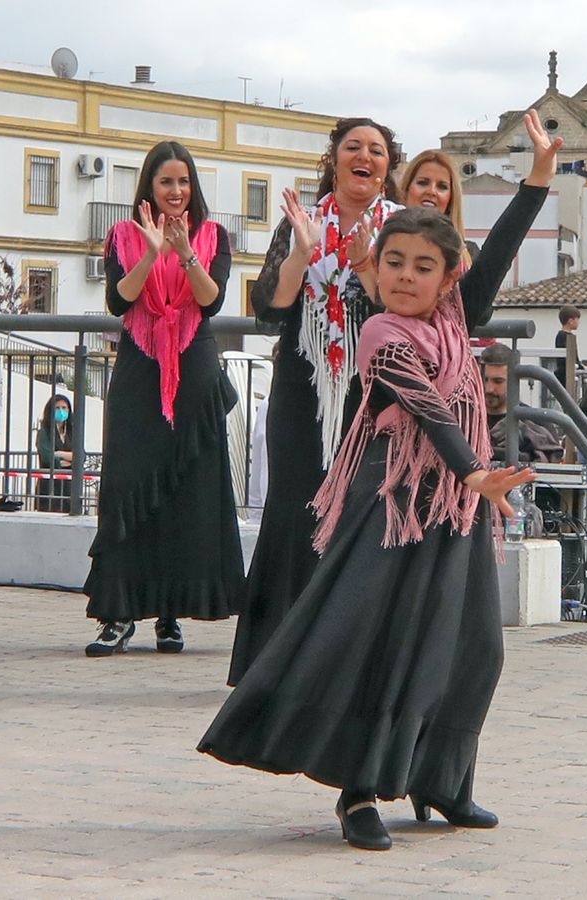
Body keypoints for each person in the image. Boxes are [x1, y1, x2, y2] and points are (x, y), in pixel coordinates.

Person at [199, 208, 536, 852]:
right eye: (394, 262)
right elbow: (428, 408)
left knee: (472, 649)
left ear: (448, 280)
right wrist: (473, 471)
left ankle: (440, 780)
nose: (406, 276)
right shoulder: (382, 332)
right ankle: (357, 793)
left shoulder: (454, 322)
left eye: (423, 266)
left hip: (454, 510)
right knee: (375, 643)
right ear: (376, 268)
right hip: (393, 503)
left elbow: (494, 256)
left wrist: (537, 182)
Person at [229, 111, 552, 685]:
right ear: (334, 159)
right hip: (306, 384)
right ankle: (273, 661)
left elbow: (427, 307)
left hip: (373, 390)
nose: (365, 157)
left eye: (376, 150)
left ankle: (338, 661)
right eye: (353, 147)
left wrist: (365, 264)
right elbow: (270, 310)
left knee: (359, 517)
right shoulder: (303, 222)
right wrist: (303, 253)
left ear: (388, 167)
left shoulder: (400, 232)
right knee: (294, 513)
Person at [83, 140, 244, 656]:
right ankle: (118, 613)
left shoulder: (214, 236)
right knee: (127, 487)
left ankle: (169, 613)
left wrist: (186, 252)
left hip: (194, 371)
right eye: (166, 181)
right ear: (149, 187)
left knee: (185, 493)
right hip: (139, 371)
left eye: (183, 181)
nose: (176, 191)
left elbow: (210, 300)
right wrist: (152, 252)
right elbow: (118, 301)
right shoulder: (123, 236)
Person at [479, 343, 563, 462]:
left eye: (498, 381)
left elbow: (553, 467)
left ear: (515, 380)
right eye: (485, 380)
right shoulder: (467, 420)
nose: (489, 389)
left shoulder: (538, 423)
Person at [34, 393, 74, 513]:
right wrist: (68, 458)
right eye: (57, 408)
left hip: (69, 486)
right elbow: (47, 457)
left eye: (64, 408)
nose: (61, 411)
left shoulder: (73, 432)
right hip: (49, 485)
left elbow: (81, 456)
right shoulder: (44, 433)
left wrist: (59, 453)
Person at [551, 304, 581, 387]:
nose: (579, 322)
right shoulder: (562, 336)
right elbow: (567, 357)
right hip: (565, 375)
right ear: (570, 321)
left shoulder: (569, 336)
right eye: (577, 319)